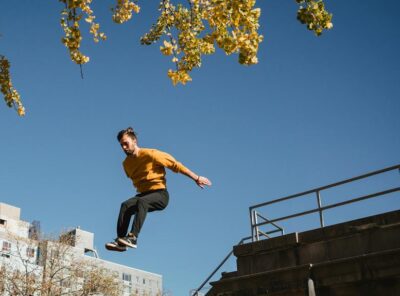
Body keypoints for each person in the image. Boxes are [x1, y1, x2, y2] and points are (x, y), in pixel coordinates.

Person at [106, 127, 212, 252]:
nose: (124, 147)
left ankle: (133, 237)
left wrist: (196, 178)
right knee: (125, 205)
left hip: (160, 195)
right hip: (143, 195)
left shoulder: (152, 154)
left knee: (142, 201)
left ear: (134, 141)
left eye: (126, 143)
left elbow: (175, 165)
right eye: (121, 145)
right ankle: (121, 241)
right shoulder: (126, 164)